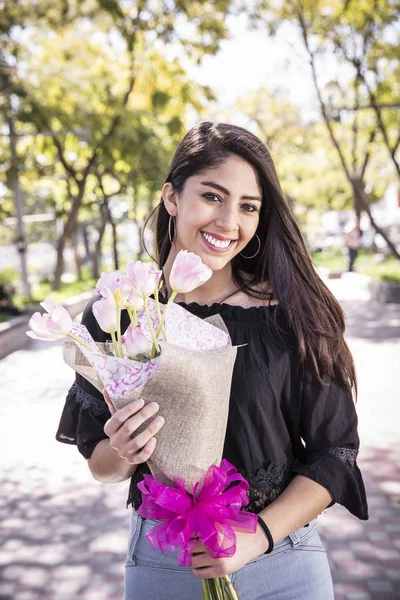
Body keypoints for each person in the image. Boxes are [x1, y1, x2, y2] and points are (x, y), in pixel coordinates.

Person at [56, 122, 368, 600]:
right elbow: (100, 462)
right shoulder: (120, 311)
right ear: (172, 198)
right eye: (212, 196)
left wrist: (256, 537)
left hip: (282, 560)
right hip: (164, 564)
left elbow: (335, 452)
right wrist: (123, 449)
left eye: (248, 207)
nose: (228, 222)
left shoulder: (291, 314)